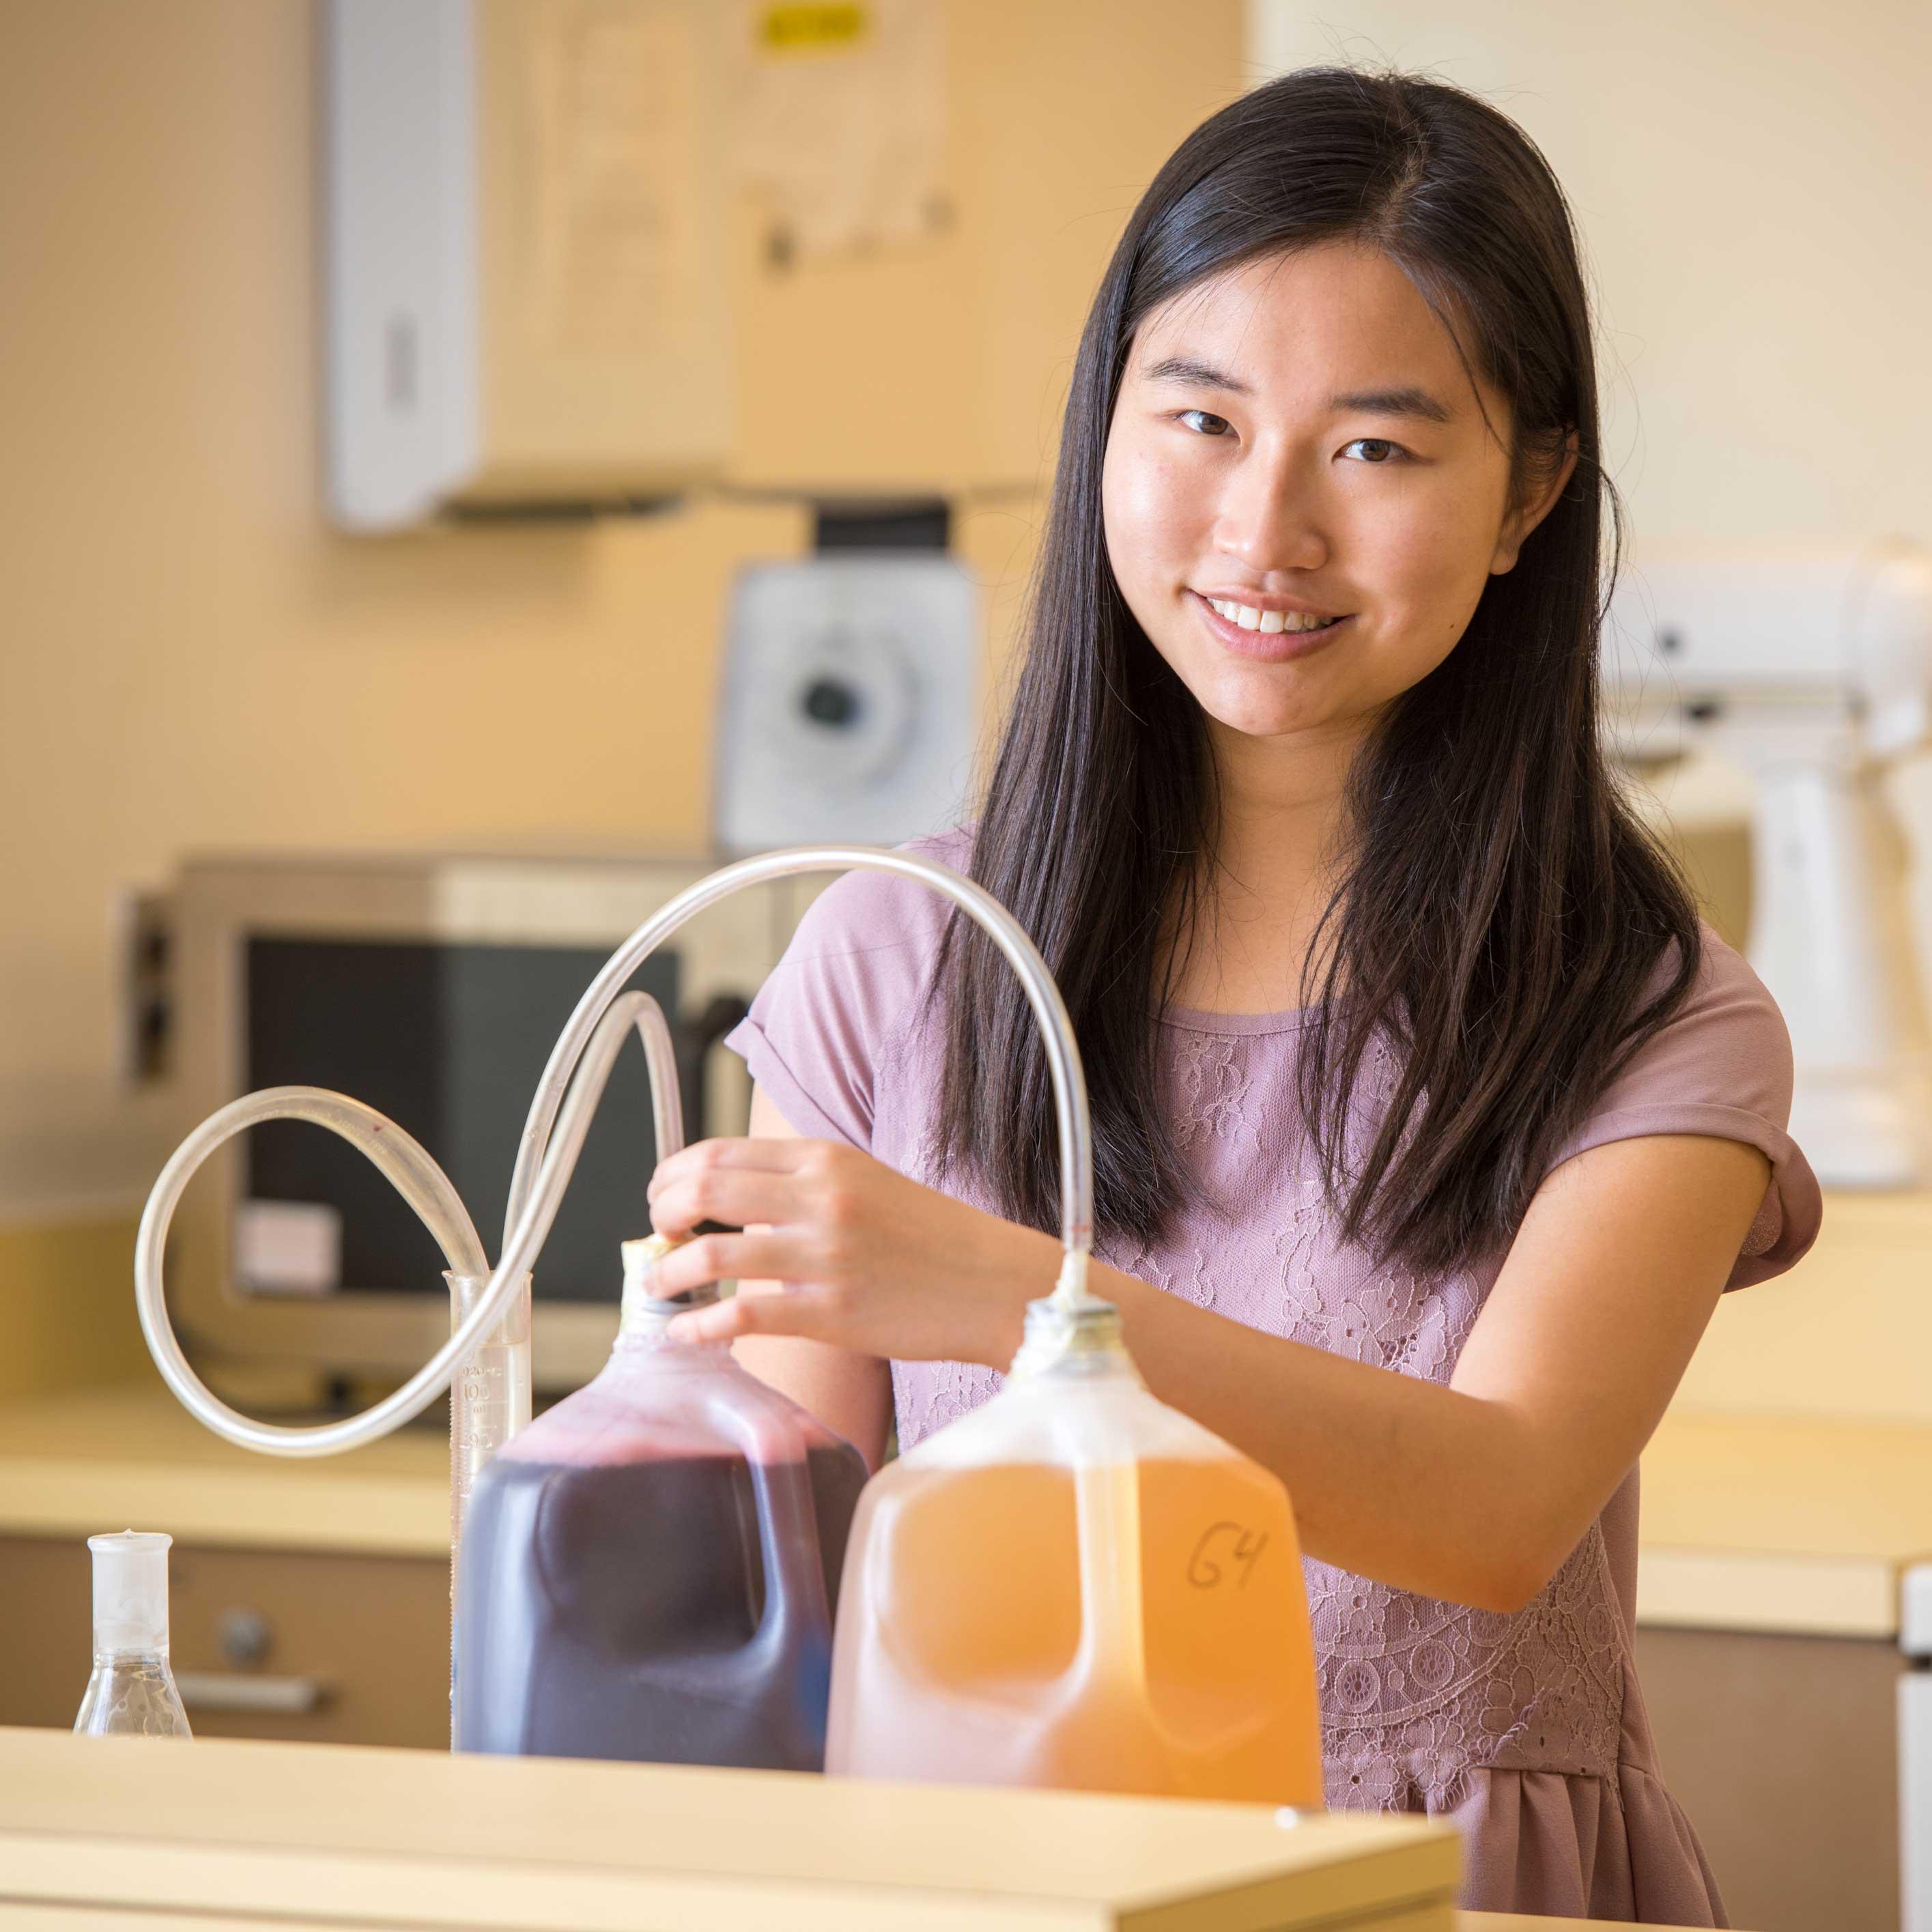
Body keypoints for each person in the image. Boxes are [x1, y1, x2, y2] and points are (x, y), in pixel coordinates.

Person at [645, 65, 1821, 1923]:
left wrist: (1006, 1291)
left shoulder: (1652, 1012)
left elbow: (1498, 1508)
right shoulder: (893, 954)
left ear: (1530, 495)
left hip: (1452, 1891)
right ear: (1105, 429)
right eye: (1201, 418)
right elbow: (778, 1571)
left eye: (1374, 449)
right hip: (979, 1889)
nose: (1264, 530)